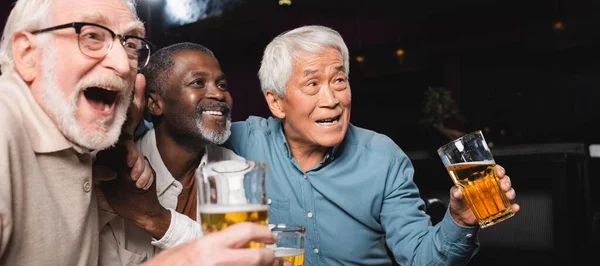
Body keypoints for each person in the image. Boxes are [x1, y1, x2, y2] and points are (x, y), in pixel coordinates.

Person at [0, 1, 275, 265]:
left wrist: (123, 139)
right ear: (27, 54)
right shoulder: (6, 130)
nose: (122, 64)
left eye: (130, 44)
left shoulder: (94, 154)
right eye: (92, 36)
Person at [223, 25, 521, 265]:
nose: (331, 100)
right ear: (276, 102)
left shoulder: (382, 158)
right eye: (312, 85)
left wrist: (460, 221)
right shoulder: (241, 143)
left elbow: (420, 259)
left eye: (339, 80)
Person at [98, 42, 248, 265]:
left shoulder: (233, 169)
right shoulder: (115, 173)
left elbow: (239, 258)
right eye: (198, 82)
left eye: (222, 84)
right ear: (155, 104)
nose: (218, 94)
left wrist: (158, 219)